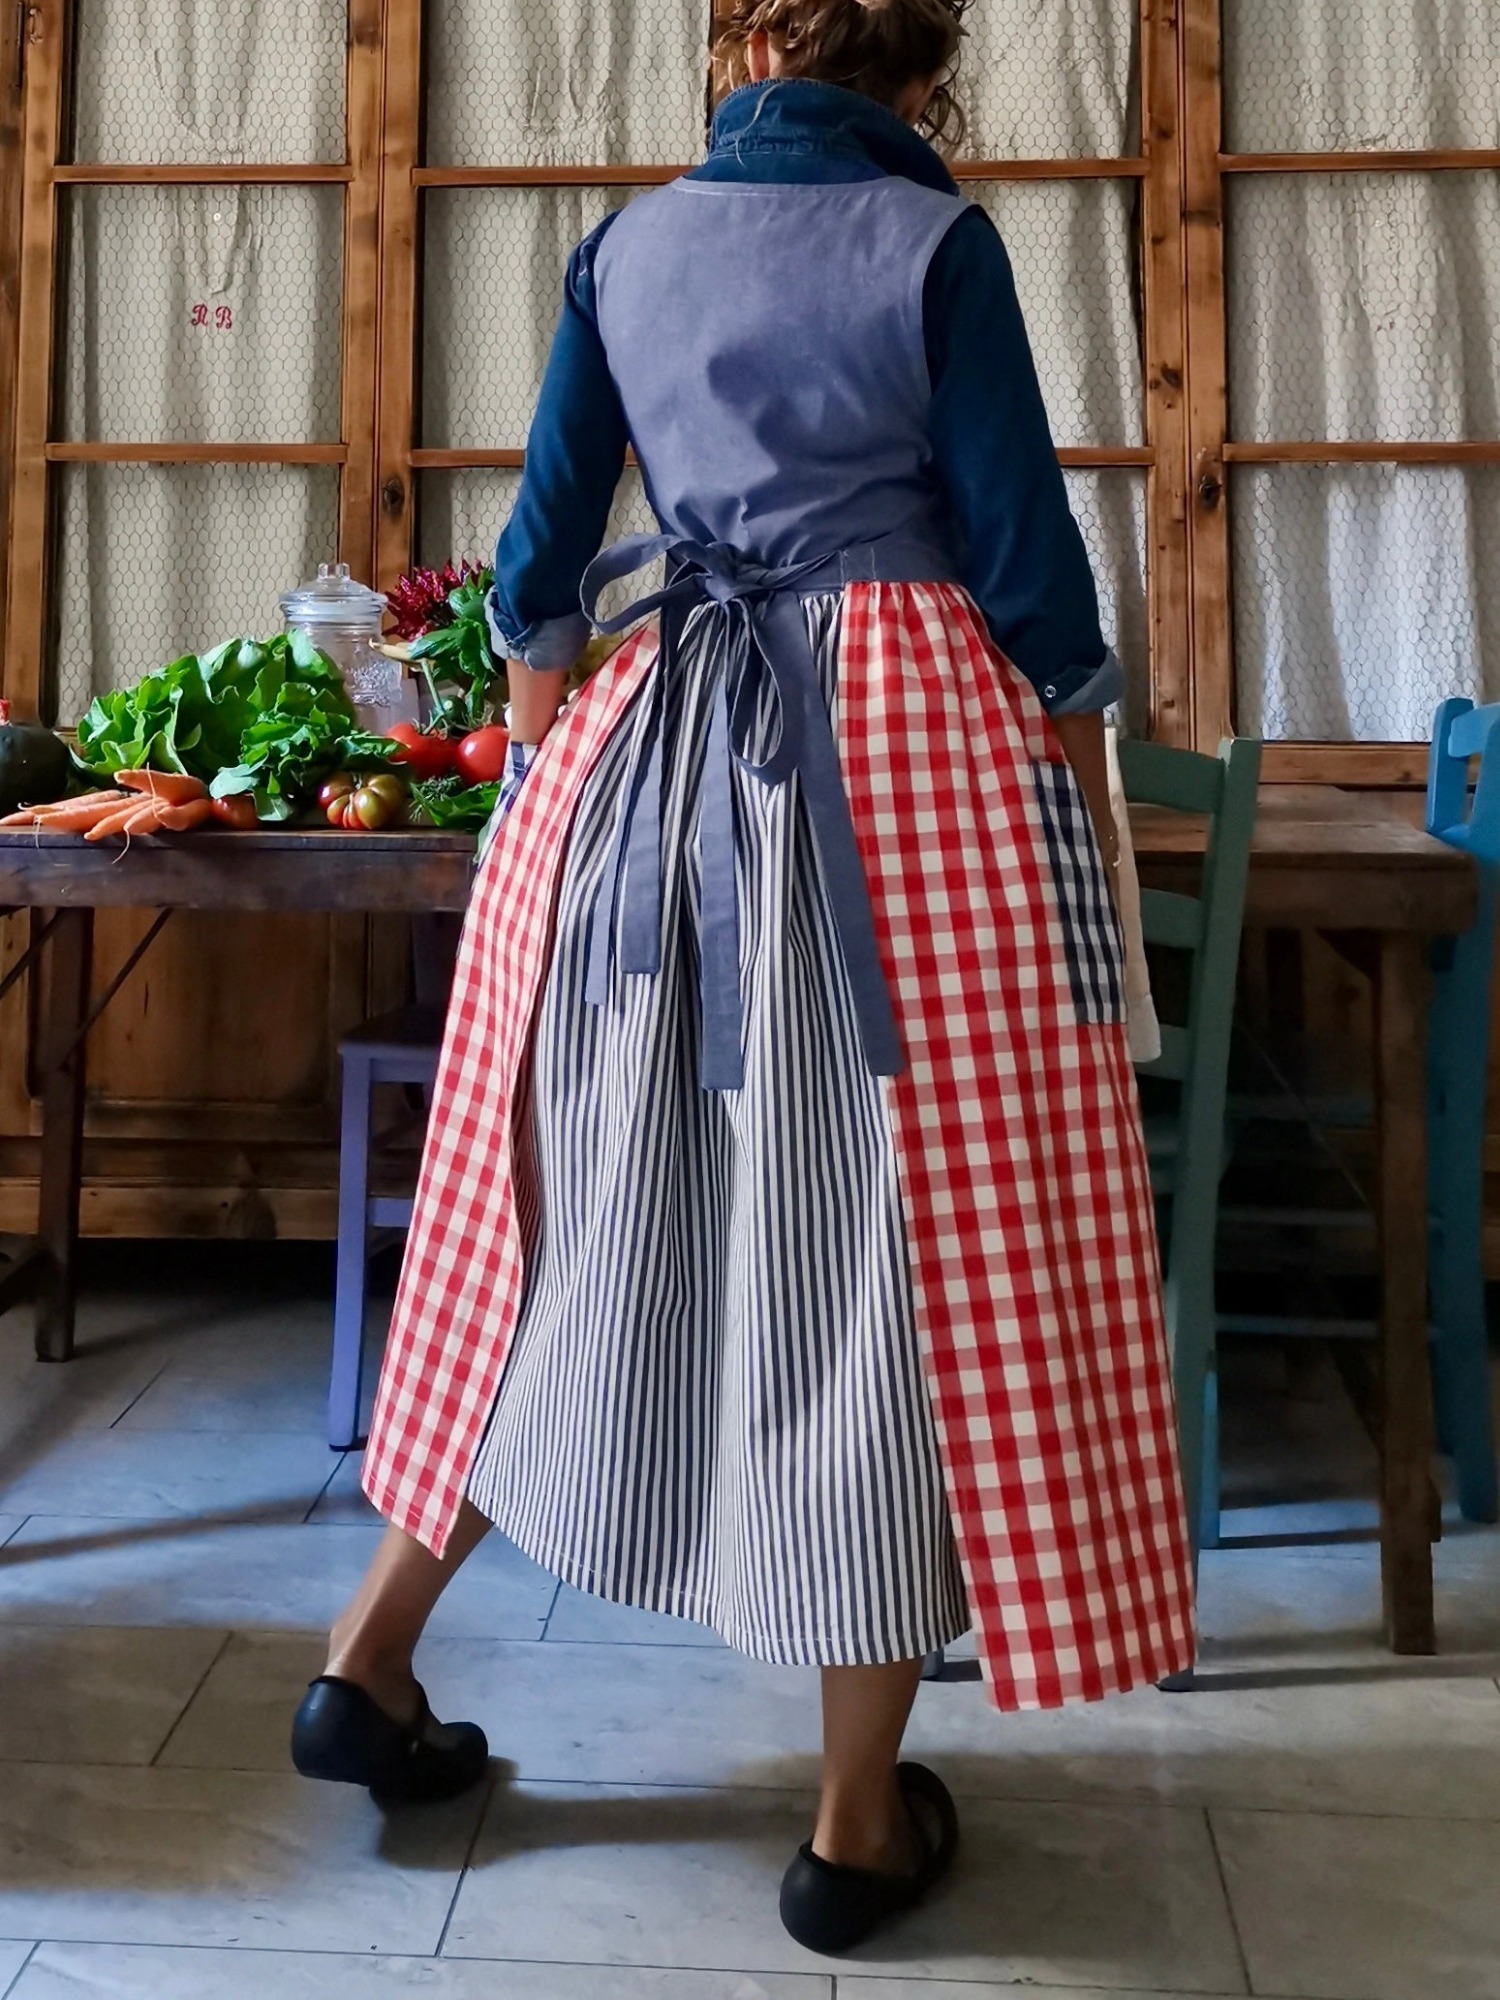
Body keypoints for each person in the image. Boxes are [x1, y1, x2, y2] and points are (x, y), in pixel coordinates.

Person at [292, 0, 1194, 1956]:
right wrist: (1081, 812)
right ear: (919, 76)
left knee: (558, 1221)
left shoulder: (626, 246)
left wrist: (547, 810)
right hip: (902, 782)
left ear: (745, 46)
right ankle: (854, 1822)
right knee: (888, 1258)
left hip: (651, 767)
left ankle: (369, 1650)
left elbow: (541, 570)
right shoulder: (935, 243)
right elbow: (1029, 570)